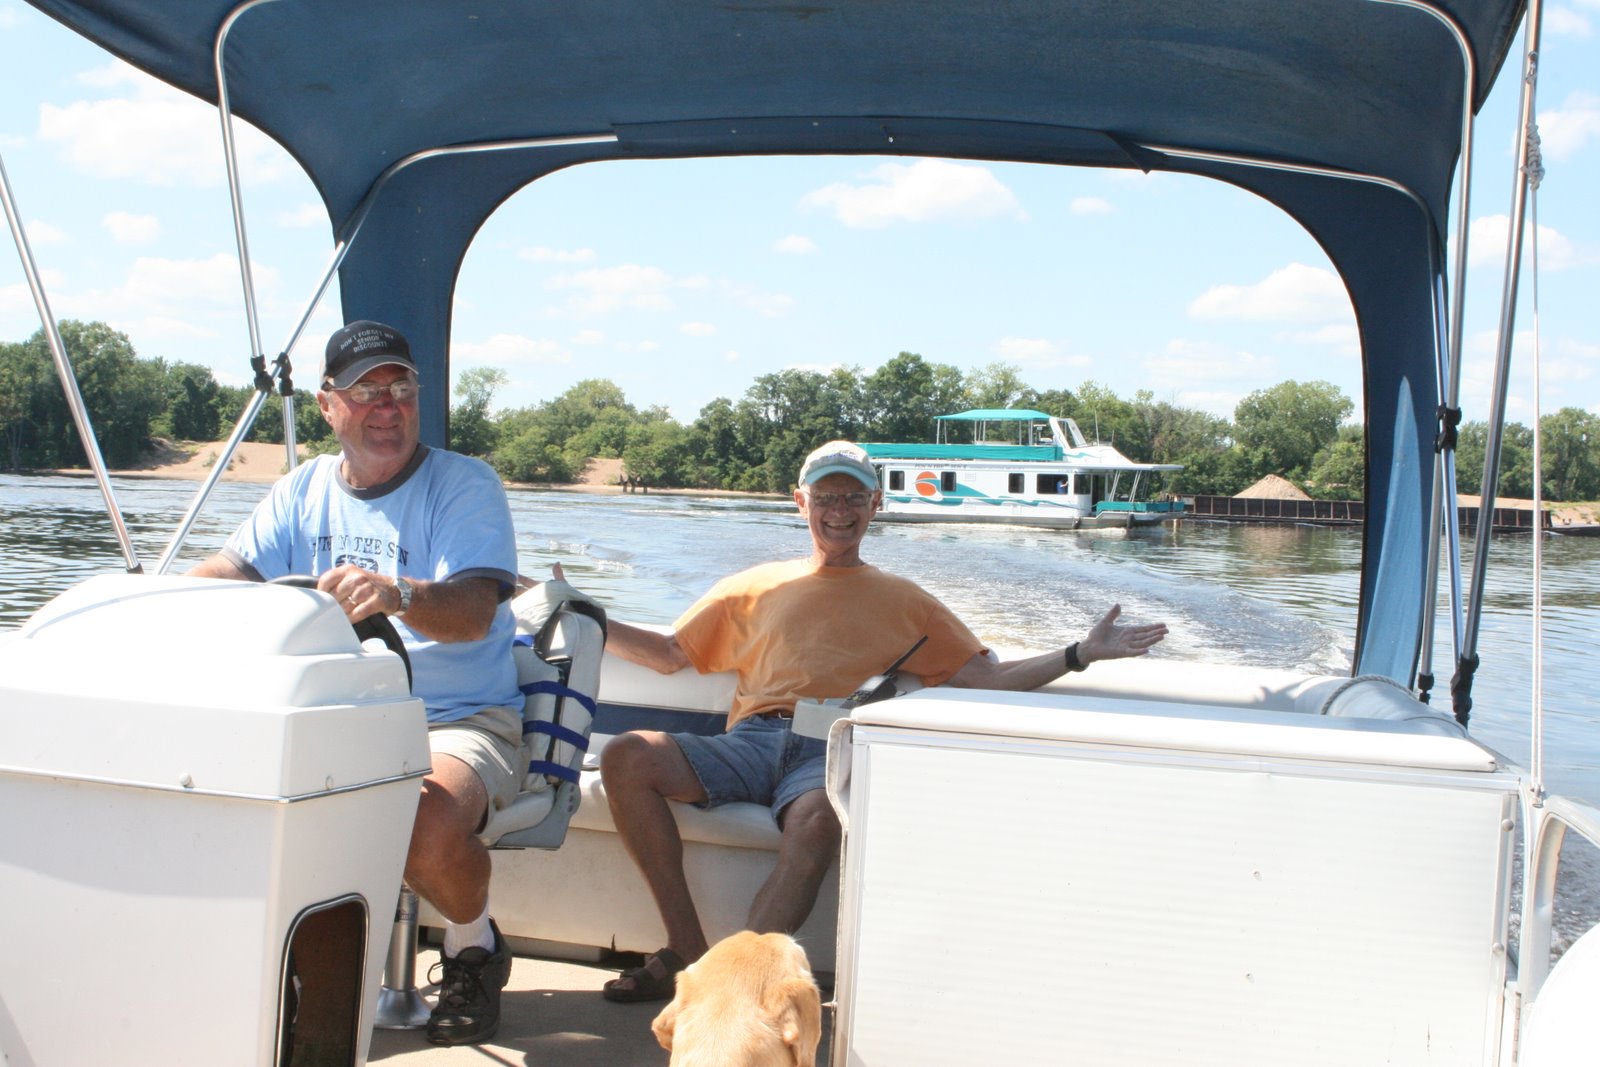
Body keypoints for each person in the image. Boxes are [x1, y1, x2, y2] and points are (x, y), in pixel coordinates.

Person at [598, 440, 1169, 1001]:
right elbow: (669, 654)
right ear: (801, 503)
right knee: (626, 755)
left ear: (877, 505)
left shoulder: (906, 601)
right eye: (826, 498)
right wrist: (580, 610)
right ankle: (688, 952)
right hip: (752, 738)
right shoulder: (752, 586)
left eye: (853, 497)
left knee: (819, 821)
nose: (839, 511)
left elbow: (986, 680)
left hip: (830, 748)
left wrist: (1079, 654)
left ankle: (736, 991)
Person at [190, 320, 522, 1046]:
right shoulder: (299, 491)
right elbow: (228, 574)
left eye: (401, 388)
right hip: (332, 716)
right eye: (367, 391)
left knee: (424, 823)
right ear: (327, 405)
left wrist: (398, 595)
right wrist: (161, 600)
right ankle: (286, 968)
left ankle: (474, 947)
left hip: (459, 717)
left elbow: (472, 610)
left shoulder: (465, 485)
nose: (387, 406)